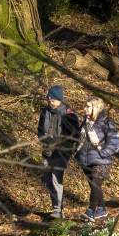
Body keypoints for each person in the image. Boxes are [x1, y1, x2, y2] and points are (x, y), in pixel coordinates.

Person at [37, 85, 80, 219]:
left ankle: (58, 210)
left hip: (62, 151)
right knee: (49, 180)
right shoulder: (45, 111)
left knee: (56, 178)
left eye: (53, 101)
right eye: (49, 101)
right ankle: (56, 208)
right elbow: (40, 130)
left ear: (60, 100)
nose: (51, 103)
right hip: (47, 150)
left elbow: (75, 135)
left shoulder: (69, 113)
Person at [75, 97, 119, 221]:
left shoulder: (107, 123)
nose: (85, 108)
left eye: (88, 106)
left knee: (95, 184)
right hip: (85, 160)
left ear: (97, 107)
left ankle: (90, 211)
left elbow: (113, 144)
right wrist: (77, 153)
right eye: (85, 106)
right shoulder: (85, 122)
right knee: (95, 187)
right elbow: (79, 139)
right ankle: (102, 209)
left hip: (101, 160)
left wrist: (102, 151)